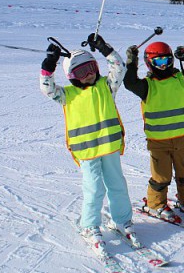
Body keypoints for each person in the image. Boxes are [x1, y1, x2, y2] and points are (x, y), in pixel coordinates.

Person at [40, 34, 136, 248]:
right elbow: (47, 89)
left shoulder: (107, 86)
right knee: (94, 188)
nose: (90, 74)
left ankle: (121, 220)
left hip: (109, 147)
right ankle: (90, 225)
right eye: (82, 72)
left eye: (92, 67)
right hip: (86, 151)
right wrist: (48, 65)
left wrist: (105, 49)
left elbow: (119, 67)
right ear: (72, 75)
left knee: (117, 184)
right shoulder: (67, 95)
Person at [123, 41, 184, 223]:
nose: (164, 66)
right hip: (159, 142)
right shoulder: (147, 86)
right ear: (149, 63)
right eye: (158, 62)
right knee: (161, 176)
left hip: (182, 139)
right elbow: (129, 82)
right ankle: (155, 204)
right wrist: (132, 62)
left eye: (167, 61)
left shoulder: (181, 81)